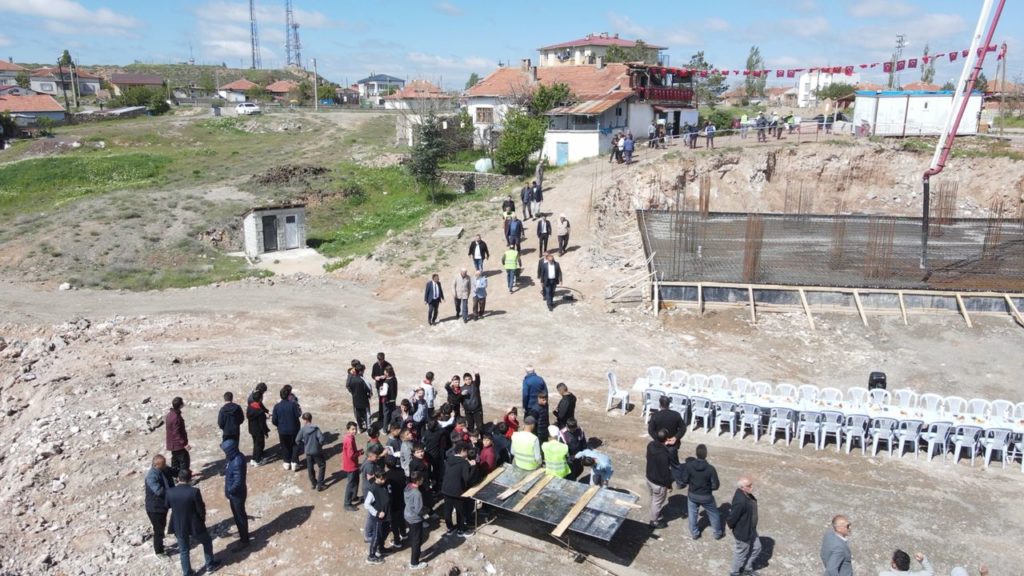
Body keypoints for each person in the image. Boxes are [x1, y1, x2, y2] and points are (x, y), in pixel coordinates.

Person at [165, 469, 218, 575]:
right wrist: (202, 519)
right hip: (194, 523)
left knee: (184, 550)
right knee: (206, 542)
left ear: (178, 479)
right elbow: (200, 509)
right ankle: (210, 565)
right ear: (190, 479)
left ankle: (187, 573)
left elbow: (167, 506)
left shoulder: (169, 492)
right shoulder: (194, 492)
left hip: (178, 524)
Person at [679, 444, 723, 540]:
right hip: (706, 496)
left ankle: (694, 533)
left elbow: (684, 480)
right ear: (706, 454)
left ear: (696, 454)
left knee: (692, 514)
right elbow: (716, 486)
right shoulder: (710, 469)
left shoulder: (689, 466)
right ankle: (717, 534)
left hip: (692, 495)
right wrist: (708, 488)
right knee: (714, 514)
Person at [727, 476, 761, 576]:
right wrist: (730, 525)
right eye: (749, 486)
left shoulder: (746, 494)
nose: (752, 487)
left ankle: (747, 568)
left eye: (751, 485)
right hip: (743, 532)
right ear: (742, 487)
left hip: (750, 528)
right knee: (741, 553)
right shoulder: (741, 501)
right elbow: (732, 517)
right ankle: (734, 573)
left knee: (757, 547)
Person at [441, 442, 476, 537]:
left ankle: (450, 528)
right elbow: (467, 478)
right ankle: (460, 530)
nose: (468, 453)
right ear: (462, 451)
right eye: (467, 451)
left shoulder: (449, 459)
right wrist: (472, 467)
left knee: (447, 510)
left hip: (446, 488)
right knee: (460, 511)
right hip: (457, 491)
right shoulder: (464, 463)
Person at [144, 454, 176, 557]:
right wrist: (173, 493)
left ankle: (161, 545)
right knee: (158, 530)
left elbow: (173, 471)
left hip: (162, 505)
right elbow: (159, 491)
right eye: (163, 464)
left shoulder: (163, 469)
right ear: (156, 465)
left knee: (162, 526)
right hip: (155, 508)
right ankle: (159, 551)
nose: (165, 466)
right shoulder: (151, 476)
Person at [221, 439, 249, 546]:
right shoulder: (235, 458)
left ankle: (244, 540)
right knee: (238, 515)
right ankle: (243, 533)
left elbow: (238, 481)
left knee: (239, 515)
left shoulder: (237, 461)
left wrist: (230, 490)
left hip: (237, 495)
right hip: (235, 494)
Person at [646, 429, 674, 529]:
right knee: (657, 501)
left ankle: (654, 512)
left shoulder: (650, 445)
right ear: (666, 439)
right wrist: (669, 484)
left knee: (652, 497)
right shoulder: (664, 454)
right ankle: (654, 521)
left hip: (649, 477)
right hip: (658, 483)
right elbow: (665, 473)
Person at [648, 395, 685, 470]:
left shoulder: (655, 415)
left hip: (660, 445)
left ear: (660, 404)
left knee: (660, 466)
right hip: (672, 445)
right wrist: (675, 437)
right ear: (669, 404)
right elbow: (683, 428)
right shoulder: (676, 415)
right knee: (675, 466)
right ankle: (679, 480)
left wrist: (659, 439)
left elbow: (651, 430)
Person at [271, 385, 302, 471]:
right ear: (289, 395)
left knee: (285, 446)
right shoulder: (293, 405)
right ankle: (294, 462)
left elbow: (274, 420)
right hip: (294, 429)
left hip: (282, 430)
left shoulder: (277, 406)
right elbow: (298, 415)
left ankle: (286, 462)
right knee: (295, 445)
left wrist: (279, 426)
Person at [364, 471, 390, 565]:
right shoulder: (373, 489)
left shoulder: (384, 484)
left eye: (384, 478)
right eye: (381, 479)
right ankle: (371, 556)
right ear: (376, 478)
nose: (383, 481)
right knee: (377, 535)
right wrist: (377, 513)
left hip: (387, 515)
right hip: (379, 517)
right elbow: (367, 504)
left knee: (385, 532)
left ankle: (381, 548)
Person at [297, 412, 326, 491]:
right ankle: (320, 484)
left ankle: (313, 483)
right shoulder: (316, 428)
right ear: (310, 419)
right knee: (322, 466)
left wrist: (304, 446)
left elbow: (297, 440)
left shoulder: (303, 429)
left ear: (305, 420)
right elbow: (322, 439)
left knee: (310, 467)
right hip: (316, 451)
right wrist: (319, 446)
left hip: (308, 452)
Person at [405, 472, 428, 570]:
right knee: (416, 540)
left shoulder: (407, 487)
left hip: (407, 514)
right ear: (418, 481)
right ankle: (414, 563)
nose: (423, 481)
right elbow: (419, 510)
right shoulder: (417, 493)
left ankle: (417, 553)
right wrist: (427, 511)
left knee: (414, 537)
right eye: (422, 479)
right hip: (415, 519)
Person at [165, 397, 190, 474]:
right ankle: (185, 480)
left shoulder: (170, 414)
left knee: (175, 461)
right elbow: (177, 433)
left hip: (172, 444)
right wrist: (184, 444)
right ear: (180, 405)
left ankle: (175, 477)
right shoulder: (176, 417)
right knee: (184, 461)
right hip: (178, 444)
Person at [341, 421, 363, 510]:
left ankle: (354, 497)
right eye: (352, 429)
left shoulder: (349, 437)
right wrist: (360, 452)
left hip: (352, 464)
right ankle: (347, 503)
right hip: (351, 465)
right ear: (348, 430)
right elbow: (351, 455)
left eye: (355, 429)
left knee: (356, 480)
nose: (354, 431)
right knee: (351, 484)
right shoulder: (349, 440)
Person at [246, 389, 270, 465]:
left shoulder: (250, 407)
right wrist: (265, 432)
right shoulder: (260, 412)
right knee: (259, 445)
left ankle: (253, 458)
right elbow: (262, 424)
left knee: (255, 444)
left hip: (252, 429)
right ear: (260, 399)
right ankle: (257, 460)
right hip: (259, 431)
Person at [347, 362, 372, 432]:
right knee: (367, 415)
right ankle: (368, 429)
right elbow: (368, 390)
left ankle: (360, 428)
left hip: (355, 400)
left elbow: (349, 387)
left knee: (358, 416)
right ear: (361, 371)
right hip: (364, 401)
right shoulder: (362, 380)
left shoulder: (351, 379)